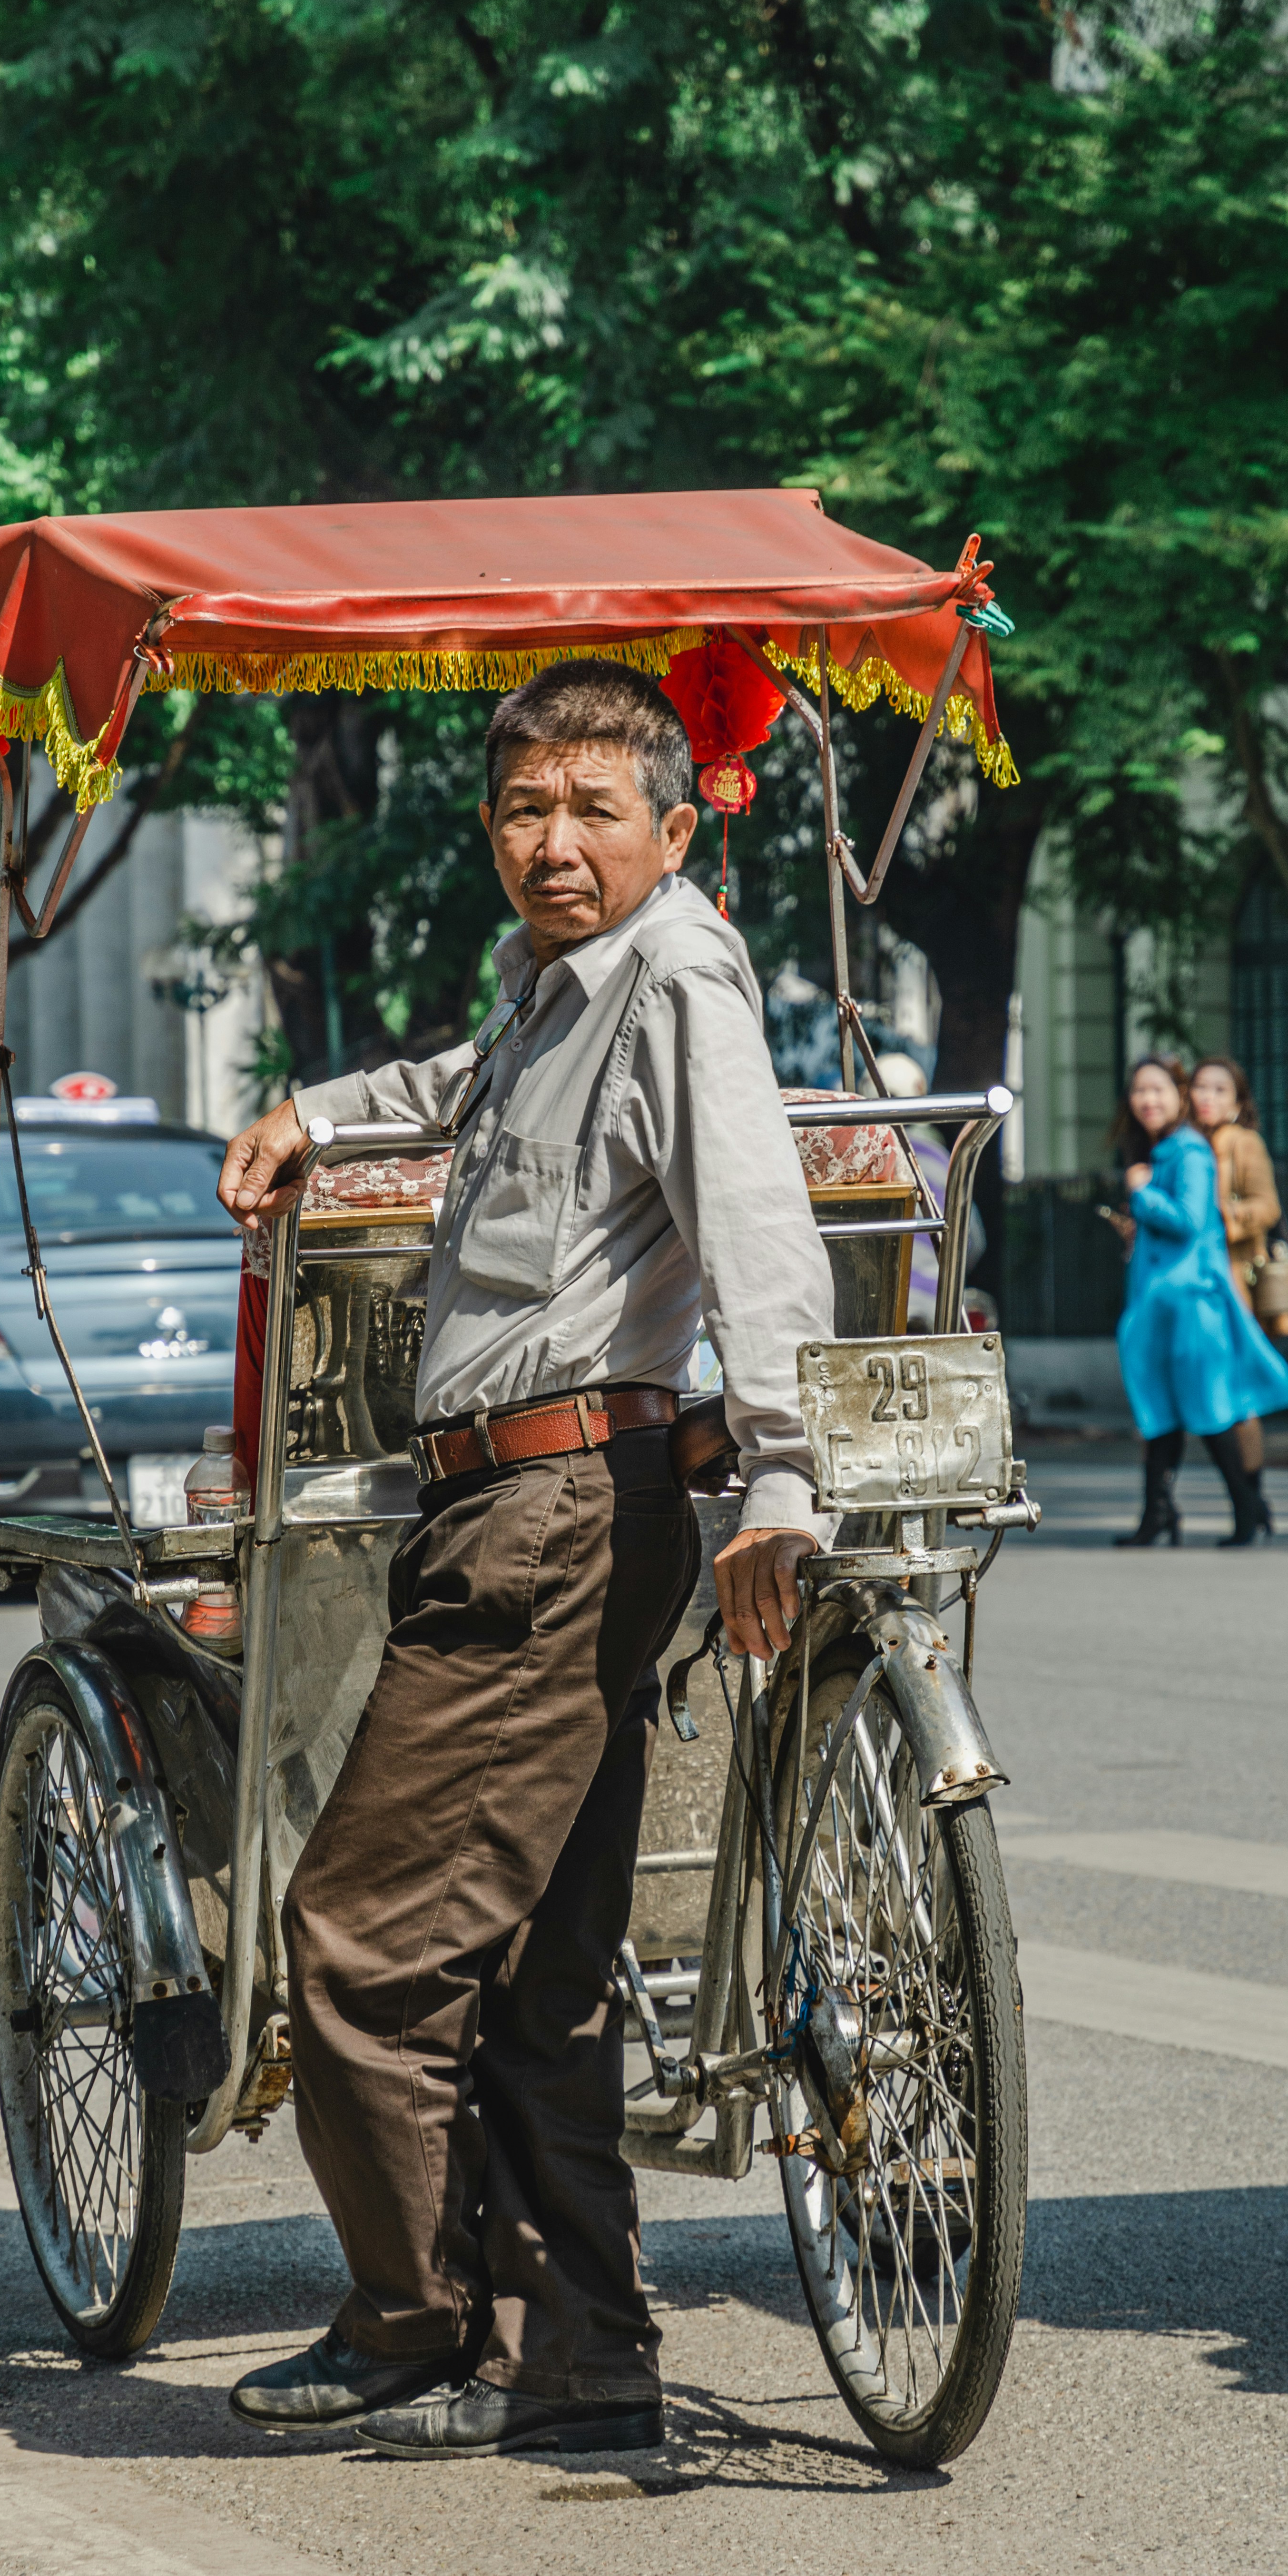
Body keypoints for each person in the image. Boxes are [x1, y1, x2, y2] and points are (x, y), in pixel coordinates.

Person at [216, 659, 836, 2459]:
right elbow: (459, 1079)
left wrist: (783, 1478)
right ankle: (580, 2350)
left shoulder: (678, 972)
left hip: (558, 1514)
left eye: (590, 808)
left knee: (351, 1939)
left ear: (672, 819)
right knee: (533, 1961)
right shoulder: (555, 988)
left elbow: (757, 1223)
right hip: (521, 1503)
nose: (551, 843)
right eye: (521, 809)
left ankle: (412, 2316)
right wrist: (318, 1111)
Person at [1112, 1055, 1288, 1547]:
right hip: (1165, 1307)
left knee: (1213, 1412)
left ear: (1178, 1095)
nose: (1148, 1100)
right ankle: (1160, 1515)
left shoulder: (1191, 1153)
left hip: (1198, 1302)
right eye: (1139, 1092)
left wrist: (1145, 1194)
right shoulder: (1167, 1150)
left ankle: (1248, 1508)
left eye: (1159, 1090)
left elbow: (1193, 1219)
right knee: (1162, 1413)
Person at [1190, 1055, 1287, 1537]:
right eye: (1201, 1087)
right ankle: (1253, 1505)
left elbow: (1268, 1205)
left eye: (1220, 1090)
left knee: (1235, 1397)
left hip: (1232, 1284)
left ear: (1238, 1102)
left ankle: (1252, 1500)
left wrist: (1224, 1218)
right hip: (1197, 1286)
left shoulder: (1241, 1143)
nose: (1207, 1097)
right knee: (1222, 1394)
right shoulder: (1186, 1145)